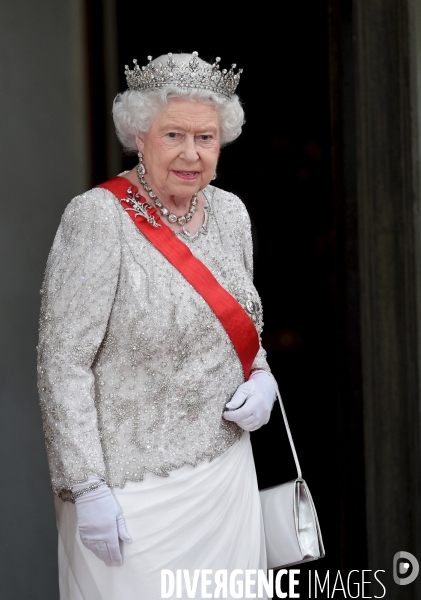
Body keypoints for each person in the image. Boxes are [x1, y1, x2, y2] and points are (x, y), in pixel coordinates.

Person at [37, 51, 278, 600]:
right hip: (128, 496)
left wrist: (262, 376)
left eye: (206, 138)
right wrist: (87, 486)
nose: (192, 154)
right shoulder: (97, 217)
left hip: (224, 478)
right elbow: (63, 362)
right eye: (174, 134)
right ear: (139, 137)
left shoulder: (231, 214)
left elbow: (241, 326)